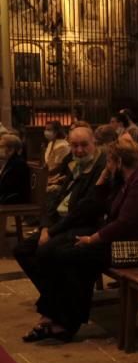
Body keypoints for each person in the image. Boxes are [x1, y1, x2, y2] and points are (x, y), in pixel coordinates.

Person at [22, 137, 138, 343]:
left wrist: (92, 239)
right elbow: (98, 204)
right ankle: (57, 319)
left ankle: (61, 321)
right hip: (116, 242)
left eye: (109, 162)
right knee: (58, 253)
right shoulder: (125, 180)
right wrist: (103, 178)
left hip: (133, 248)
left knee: (67, 256)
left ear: (120, 162)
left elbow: (124, 224)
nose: (107, 165)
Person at [14, 126, 108, 311]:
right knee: (22, 250)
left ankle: (56, 302)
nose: (79, 150)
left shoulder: (99, 167)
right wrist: (44, 227)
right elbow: (56, 199)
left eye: (84, 145)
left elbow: (84, 209)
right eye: (75, 146)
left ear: (94, 144)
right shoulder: (77, 163)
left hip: (81, 225)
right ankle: (54, 295)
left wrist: (51, 231)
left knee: (46, 252)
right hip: (60, 221)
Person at [0, 134, 30, 204]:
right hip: (6, 196)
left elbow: (8, 187)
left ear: (11, 149)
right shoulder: (10, 161)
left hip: (13, 199)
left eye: (1, 146)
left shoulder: (18, 164)